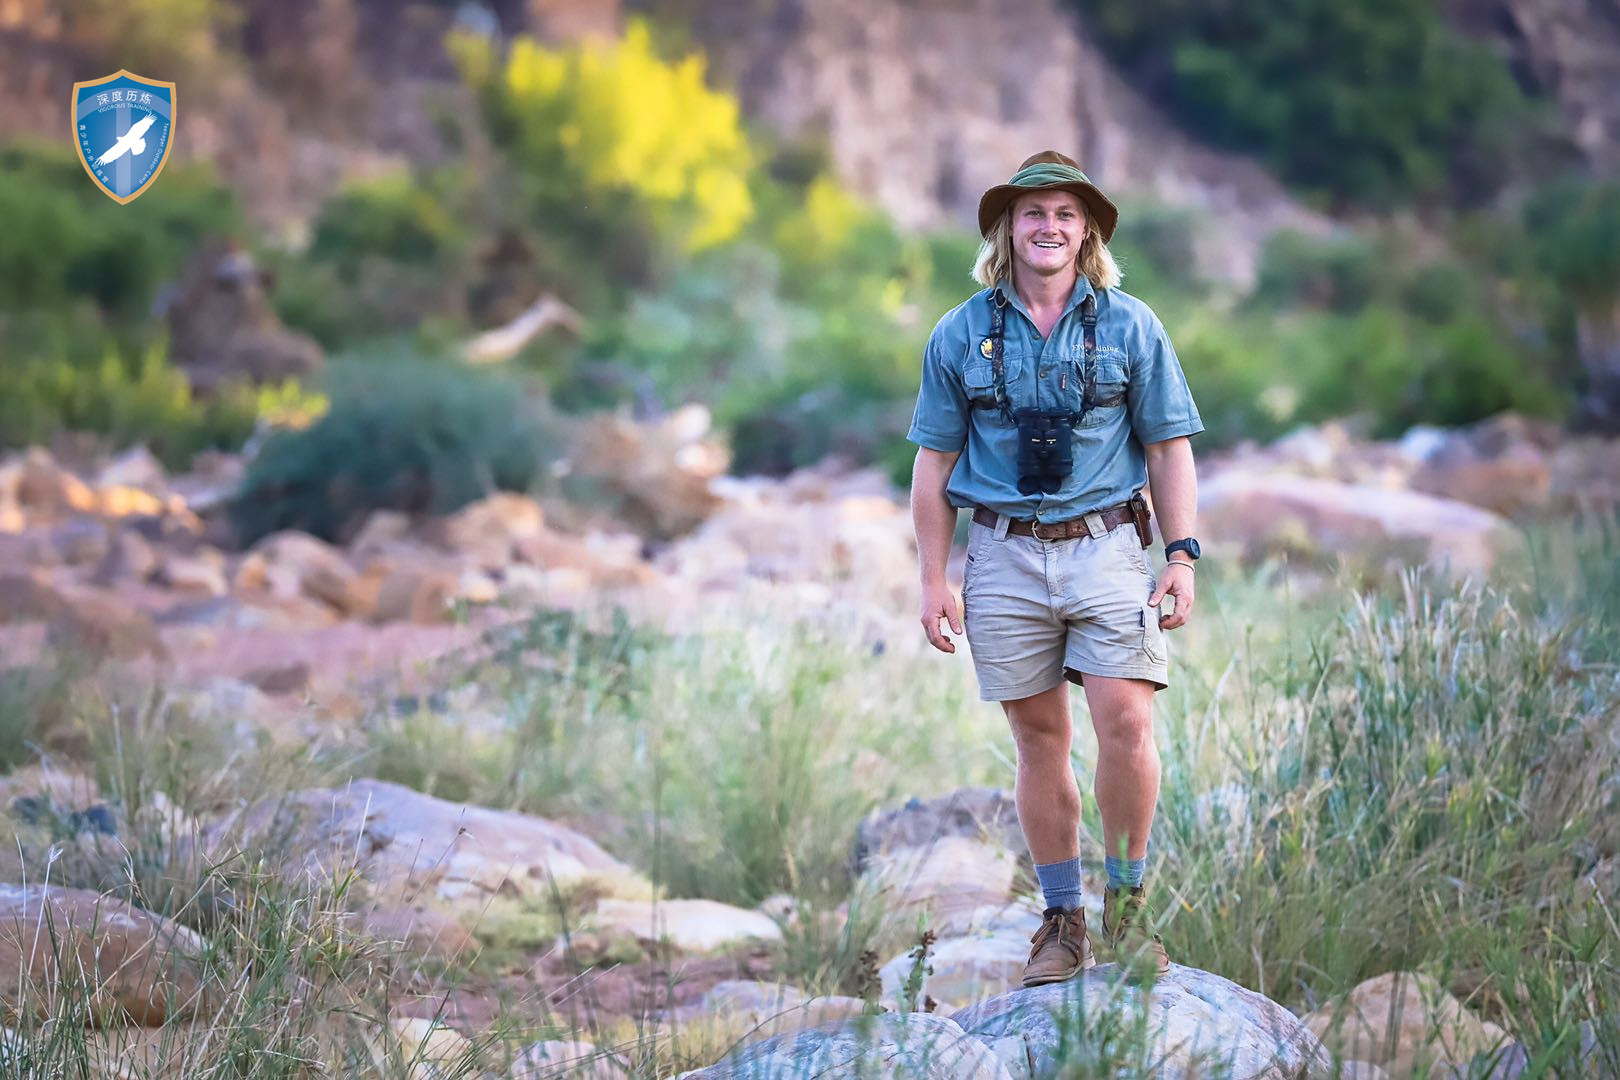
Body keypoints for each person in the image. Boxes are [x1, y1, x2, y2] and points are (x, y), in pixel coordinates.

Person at [907, 150, 1204, 985]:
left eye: (1066, 214)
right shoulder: (959, 332)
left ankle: (1132, 909)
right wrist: (935, 579)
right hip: (1001, 553)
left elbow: (1168, 446)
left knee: (1128, 724)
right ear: (1007, 228)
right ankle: (1062, 920)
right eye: (1032, 213)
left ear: (1088, 231)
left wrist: (1180, 554)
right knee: (1041, 741)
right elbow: (933, 468)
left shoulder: (1132, 324)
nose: (1048, 227)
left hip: (1109, 546)